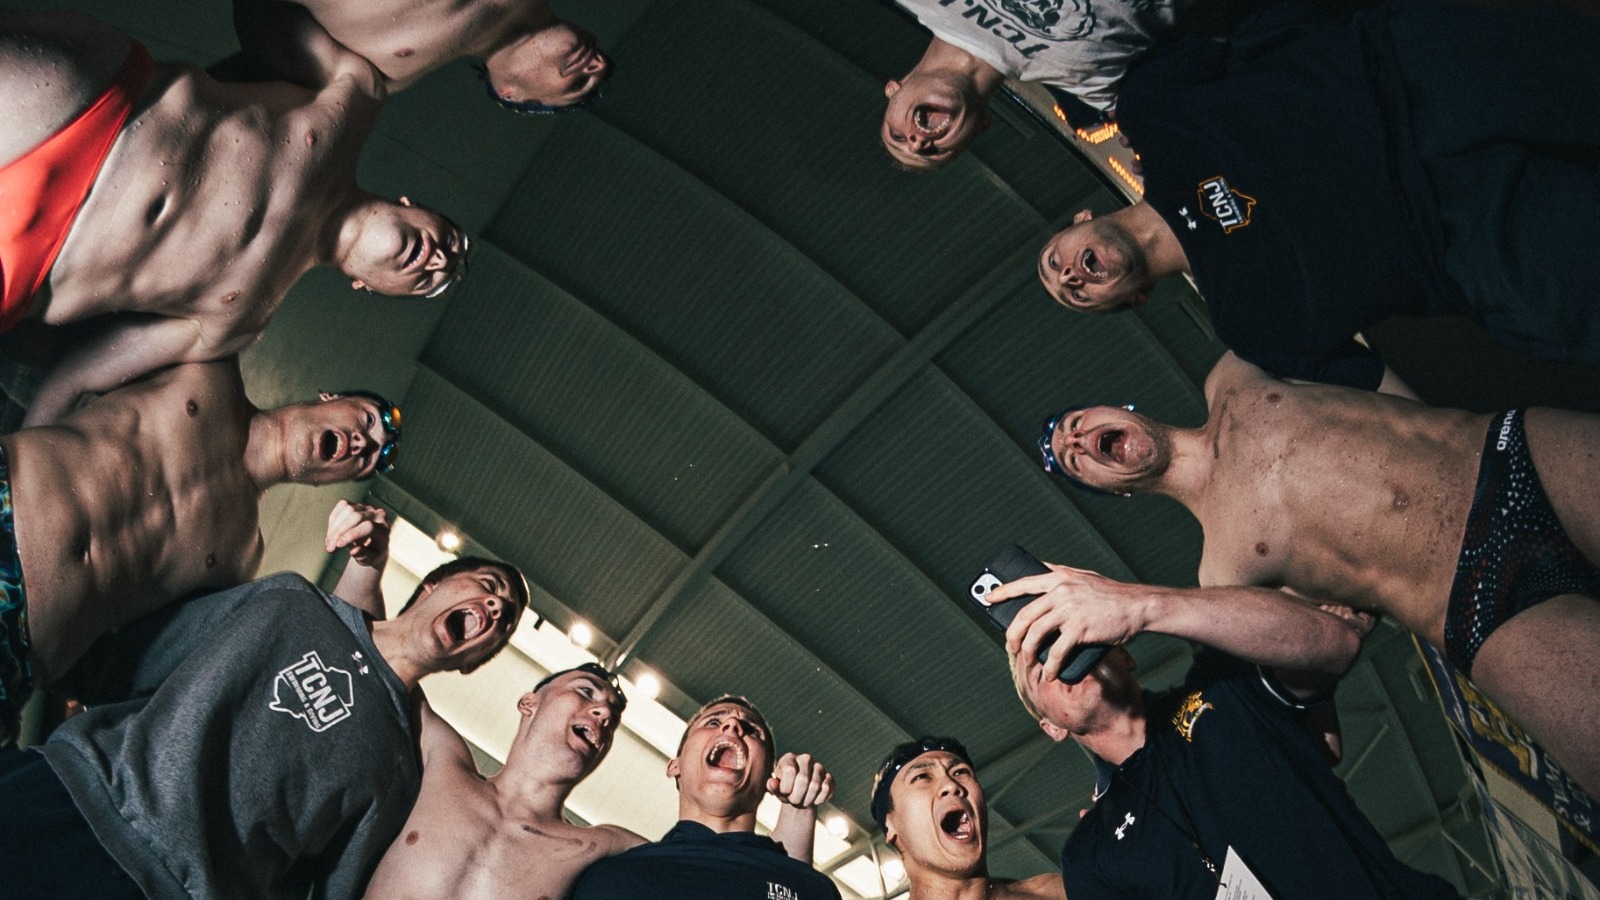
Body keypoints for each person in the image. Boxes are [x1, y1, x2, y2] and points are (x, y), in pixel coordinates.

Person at [1025, 350, 1600, 803]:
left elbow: (1334, 327)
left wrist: (1425, 430)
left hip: (1512, 457)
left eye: (1076, 425)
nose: (1078, 441)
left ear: (1119, 411)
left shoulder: (1233, 374)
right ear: (1116, 488)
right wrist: (1328, 634)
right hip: (1475, 606)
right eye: (1076, 459)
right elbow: (1319, 741)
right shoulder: (1220, 577)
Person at [1036, 0, 1600, 389]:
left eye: (1053, 261)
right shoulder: (1253, 331)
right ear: (1133, 300)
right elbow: (1398, 414)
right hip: (1472, 244)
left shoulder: (1150, 112)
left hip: (1421, 79)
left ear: (1082, 217)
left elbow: (1241, 23)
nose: (1069, 276)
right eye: (1075, 294)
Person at [0, 11, 466, 425]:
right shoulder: (356, 97)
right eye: (453, 241)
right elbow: (258, 11)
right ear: (411, 204)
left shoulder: (238, 324)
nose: (441, 261)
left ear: (368, 287)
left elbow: (76, 380)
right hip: (85, 103)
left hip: (29, 265)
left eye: (432, 283)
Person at [0, 553, 525, 899]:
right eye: (488, 586)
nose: (495, 607)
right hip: (73, 793)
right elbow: (137, 656)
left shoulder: (399, 769)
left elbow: (320, 888)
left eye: (501, 625)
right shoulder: (291, 601)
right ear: (435, 584)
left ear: (468, 664)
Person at [0, 355, 403, 744]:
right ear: (330, 398)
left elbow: (126, 660)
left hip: (16, 655)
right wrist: (22, 490)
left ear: (332, 482)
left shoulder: (241, 560)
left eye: (366, 457)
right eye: (366, 420)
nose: (359, 442)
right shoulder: (209, 369)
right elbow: (75, 370)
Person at [1003, 586, 1461, 898]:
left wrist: (1142, 605)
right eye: (1037, 657)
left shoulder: (1223, 686)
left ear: (1123, 651)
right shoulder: (1090, 853)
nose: (1057, 653)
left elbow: (1335, 643)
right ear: (1051, 727)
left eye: (1060, 637)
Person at [880, 0, 1220, 170]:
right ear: (981, 127)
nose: (917, 142)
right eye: (933, 152)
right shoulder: (1098, 85)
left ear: (895, 87)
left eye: (897, 137)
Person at [572, 695, 842, 900]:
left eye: (752, 730)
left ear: (768, 782)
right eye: (713, 722)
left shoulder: (813, 889)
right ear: (674, 766)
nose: (733, 724)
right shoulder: (611, 875)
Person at [229, 0, 609, 111]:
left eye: (579, 84)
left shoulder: (386, 76)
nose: (598, 63)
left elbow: (259, 19)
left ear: (511, 93)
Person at [870, 736, 1065, 900]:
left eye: (960, 772)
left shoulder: (1057, 893)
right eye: (922, 777)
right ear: (890, 825)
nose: (951, 784)